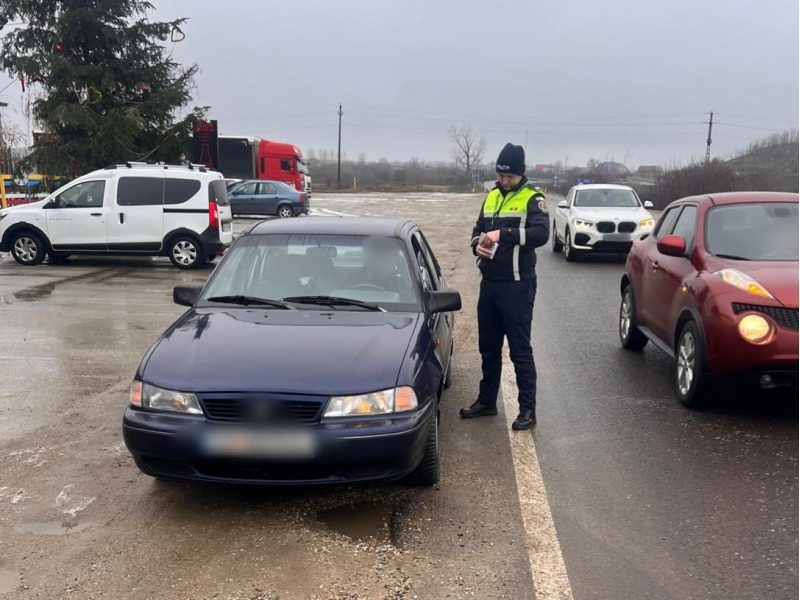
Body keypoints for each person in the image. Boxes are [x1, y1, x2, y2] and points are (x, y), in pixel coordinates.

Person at [460, 143, 549, 430]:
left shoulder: (533, 198)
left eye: (509, 176)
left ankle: (527, 410)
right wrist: (477, 245)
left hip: (518, 286)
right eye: (500, 175)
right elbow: (477, 230)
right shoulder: (491, 197)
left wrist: (504, 233)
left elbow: (542, 234)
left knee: (519, 350)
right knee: (488, 347)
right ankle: (487, 401)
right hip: (490, 285)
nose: (504, 181)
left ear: (520, 174)